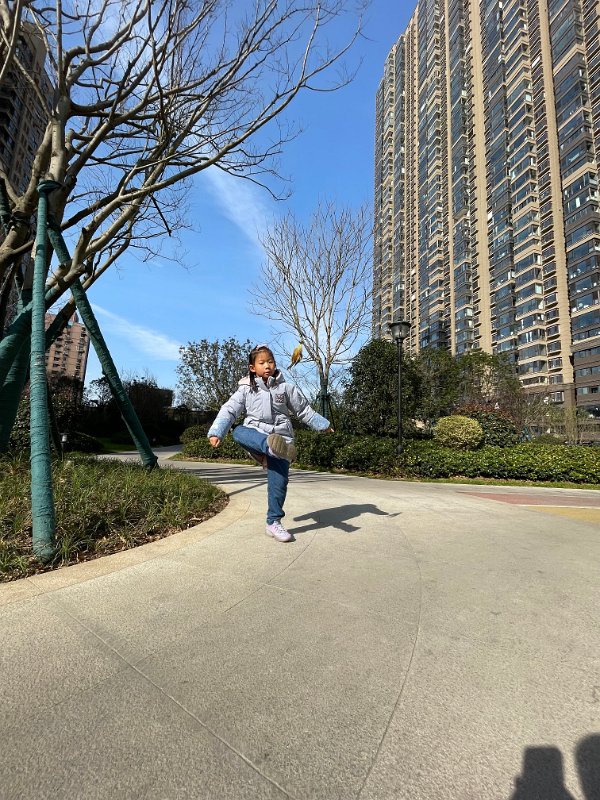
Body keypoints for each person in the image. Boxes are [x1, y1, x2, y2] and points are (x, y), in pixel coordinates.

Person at [207, 343, 333, 542]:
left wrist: (322, 424)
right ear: (252, 368)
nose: (267, 366)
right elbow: (229, 410)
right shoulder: (245, 390)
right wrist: (217, 432)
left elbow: (303, 410)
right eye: (262, 362)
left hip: (282, 440)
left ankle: (273, 523)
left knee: (279, 484)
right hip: (256, 437)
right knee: (238, 431)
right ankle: (269, 449)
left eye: (271, 361)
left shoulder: (286, 388)